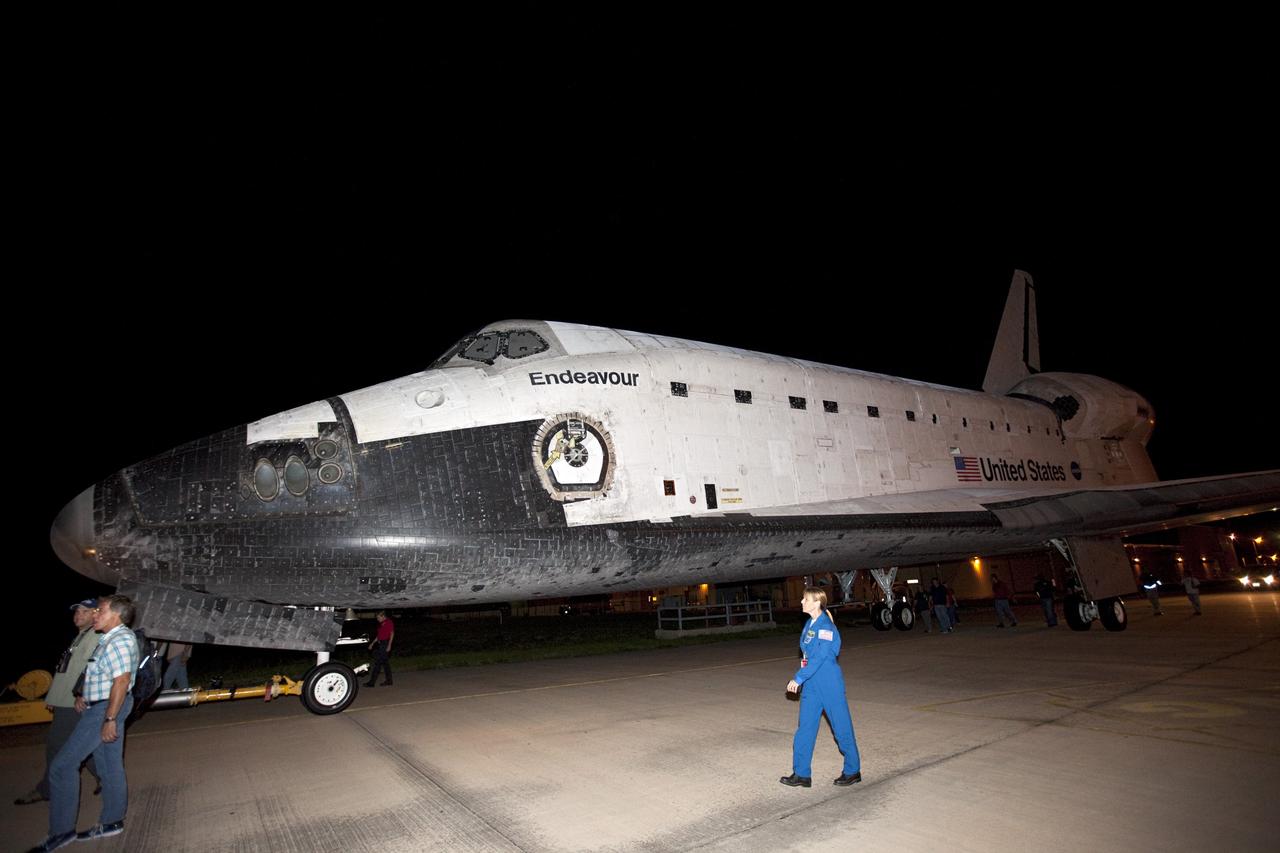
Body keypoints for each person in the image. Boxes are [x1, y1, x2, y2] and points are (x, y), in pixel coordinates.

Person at [32, 595, 139, 851]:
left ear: (116, 614)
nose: (95, 615)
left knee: (62, 767)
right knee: (109, 765)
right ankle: (112, 821)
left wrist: (110, 718)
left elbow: (121, 682)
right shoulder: (108, 638)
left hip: (106, 708)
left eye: (100, 611)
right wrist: (84, 696)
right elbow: (100, 675)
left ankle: (61, 831)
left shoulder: (121, 639)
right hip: (100, 705)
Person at [14, 600, 102, 807]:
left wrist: (82, 694)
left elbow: (92, 669)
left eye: (85, 611)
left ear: (95, 614)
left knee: (56, 746)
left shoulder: (94, 636)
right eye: (77, 611)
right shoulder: (80, 637)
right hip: (65, 700)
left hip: (74, 702)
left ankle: (48, 789)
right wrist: (53, 697)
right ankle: (106, 777)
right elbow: (66, 671)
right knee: (80, 744)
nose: (78, 615)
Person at [780, 587, 861, 788]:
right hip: (812, 686)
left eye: (805, 599)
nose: (801, 602)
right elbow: (807, 655)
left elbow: (820, 658)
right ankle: (801, 773)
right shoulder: (810, 623)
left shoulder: (826, 627)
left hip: (828, 684)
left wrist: (798, 679)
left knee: (841, 730)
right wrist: (804, 679)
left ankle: (853, 770)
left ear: (816, 603)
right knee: (805, 729)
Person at [365, 611, 395, 687]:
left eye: (378, 617)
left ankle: (371, 683)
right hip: (381, 644)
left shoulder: (389, 622)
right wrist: (372, 643)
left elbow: (392, 633)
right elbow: (379, 636)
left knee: (378, 663)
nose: (377, 619)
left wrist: (389, 645)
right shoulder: (381, 624)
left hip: (385, 644)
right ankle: (389, 681)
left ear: (383, 616)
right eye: (377, 618)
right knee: (385, 664)